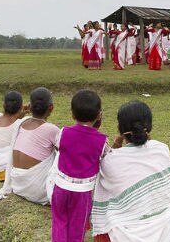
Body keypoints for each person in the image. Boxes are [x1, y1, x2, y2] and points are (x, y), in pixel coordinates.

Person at [91, 101, 170, 242]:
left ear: (120, 129)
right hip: (167, 230)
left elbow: (103, 186)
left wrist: (116, 144)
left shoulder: (110, 160)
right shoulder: (161, 148)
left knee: (106, 205)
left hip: (126, 237)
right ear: (149, 127)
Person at [48, 89, 108, 242]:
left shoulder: (63, 132)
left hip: (60, 187)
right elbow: (107, 157)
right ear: (99, 115)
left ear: (73, 115)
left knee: (59, 222)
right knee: (77, 226)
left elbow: (58, 146)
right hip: (83, 193)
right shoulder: (102, 141)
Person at [0, 87, 59, 205]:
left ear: (29, 106)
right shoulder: (52, 130)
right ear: (51, 108)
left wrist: (24, 111)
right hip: (38, 191)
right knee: (60, 154)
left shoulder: (21, 123)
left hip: (18, 185)